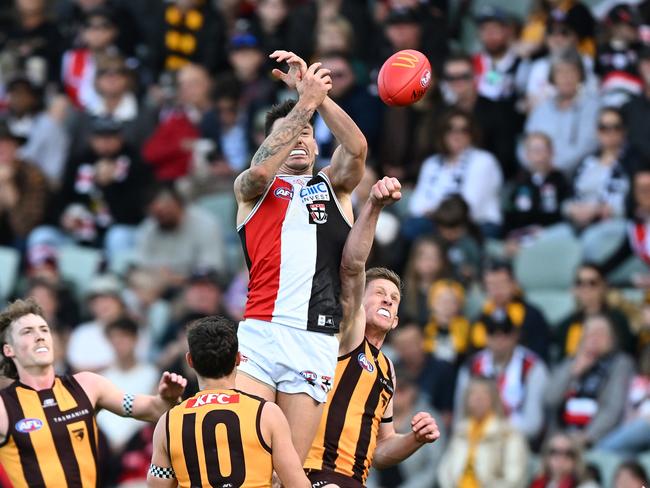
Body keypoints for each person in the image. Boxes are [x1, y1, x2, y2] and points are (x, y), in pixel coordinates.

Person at [233, 49, 367, 461]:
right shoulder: (252, 189)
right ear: (270, 143)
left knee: (288, 464)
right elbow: (258, 171)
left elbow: (357, 148)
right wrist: (303, 105)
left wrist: (317, 95)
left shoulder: (334, 187)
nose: (299, 138)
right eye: (289, 133)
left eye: (306, 132)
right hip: (259, 330)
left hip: (314, 336)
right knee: (249, 457)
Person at [305, 177, 440, 487]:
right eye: (379, 292)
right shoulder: (346, 336)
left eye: (394, 300)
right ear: (358, 304)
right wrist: (374, 206)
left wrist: (415, 439)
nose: (388, 300)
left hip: (355, 480)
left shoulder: (387, 368)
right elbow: (352, 268)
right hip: (314, 473)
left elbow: (380, 449)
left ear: (394, 321)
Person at [0, 298, 187, 487]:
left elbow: (154, 410)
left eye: (44, 329)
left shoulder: (87, 385)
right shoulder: (3, 406)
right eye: (27, 332)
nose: (39, 336)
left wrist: (168, 398)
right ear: (9, 350)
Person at [147, 315, 310, 488]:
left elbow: (158, 484)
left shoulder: (168, 423)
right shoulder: (266, 414)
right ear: (238, 359)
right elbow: (299, 485)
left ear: (190, 361)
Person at [438, 377, 529, 488]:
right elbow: (444, 470)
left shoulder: (509, 434)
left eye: (484, 393)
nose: (478, 398)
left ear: (494, 398)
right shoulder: (460, 431)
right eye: (473, 393)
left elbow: (515, 479)